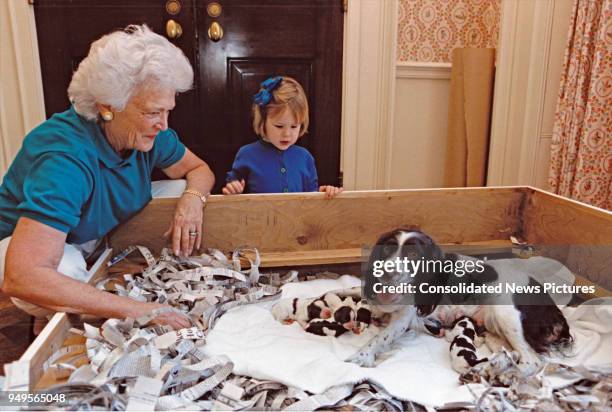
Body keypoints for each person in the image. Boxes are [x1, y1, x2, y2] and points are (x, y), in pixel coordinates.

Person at [0, 25, 214, 330]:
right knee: (62, 271)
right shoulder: (64, 158)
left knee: (181, 188)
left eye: (168, 110)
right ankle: (52, 317)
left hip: (93, 231)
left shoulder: (147, 132)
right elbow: (22, 275)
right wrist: (139, 309)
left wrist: (193, 202)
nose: (164, 125)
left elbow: (199, 170)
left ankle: (78, 298)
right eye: (153, 112)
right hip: (31, 249)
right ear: (108, 107)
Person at [222, 76, 343, 198]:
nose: (287, 134)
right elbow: (233, 187)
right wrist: (234, 189)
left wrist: (323, 193)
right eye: (279, 126)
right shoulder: (247, 154)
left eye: (294, 126)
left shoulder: (305, 158)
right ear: (263, 121)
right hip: (259, 217)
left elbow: (312, 198)